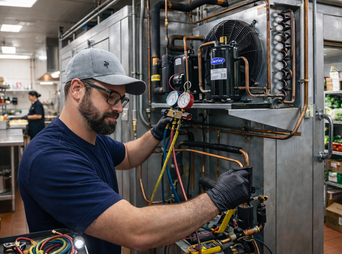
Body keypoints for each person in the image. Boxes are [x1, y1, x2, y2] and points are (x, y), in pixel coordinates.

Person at [18, 48, 250, 253]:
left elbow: (128, 155)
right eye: (111, 96)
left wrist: (157, 132)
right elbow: (136, 232)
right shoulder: (50, 158)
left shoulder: (92, 139)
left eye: (122, 99)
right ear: (77, 89)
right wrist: (216, 199)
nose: (119, 108)